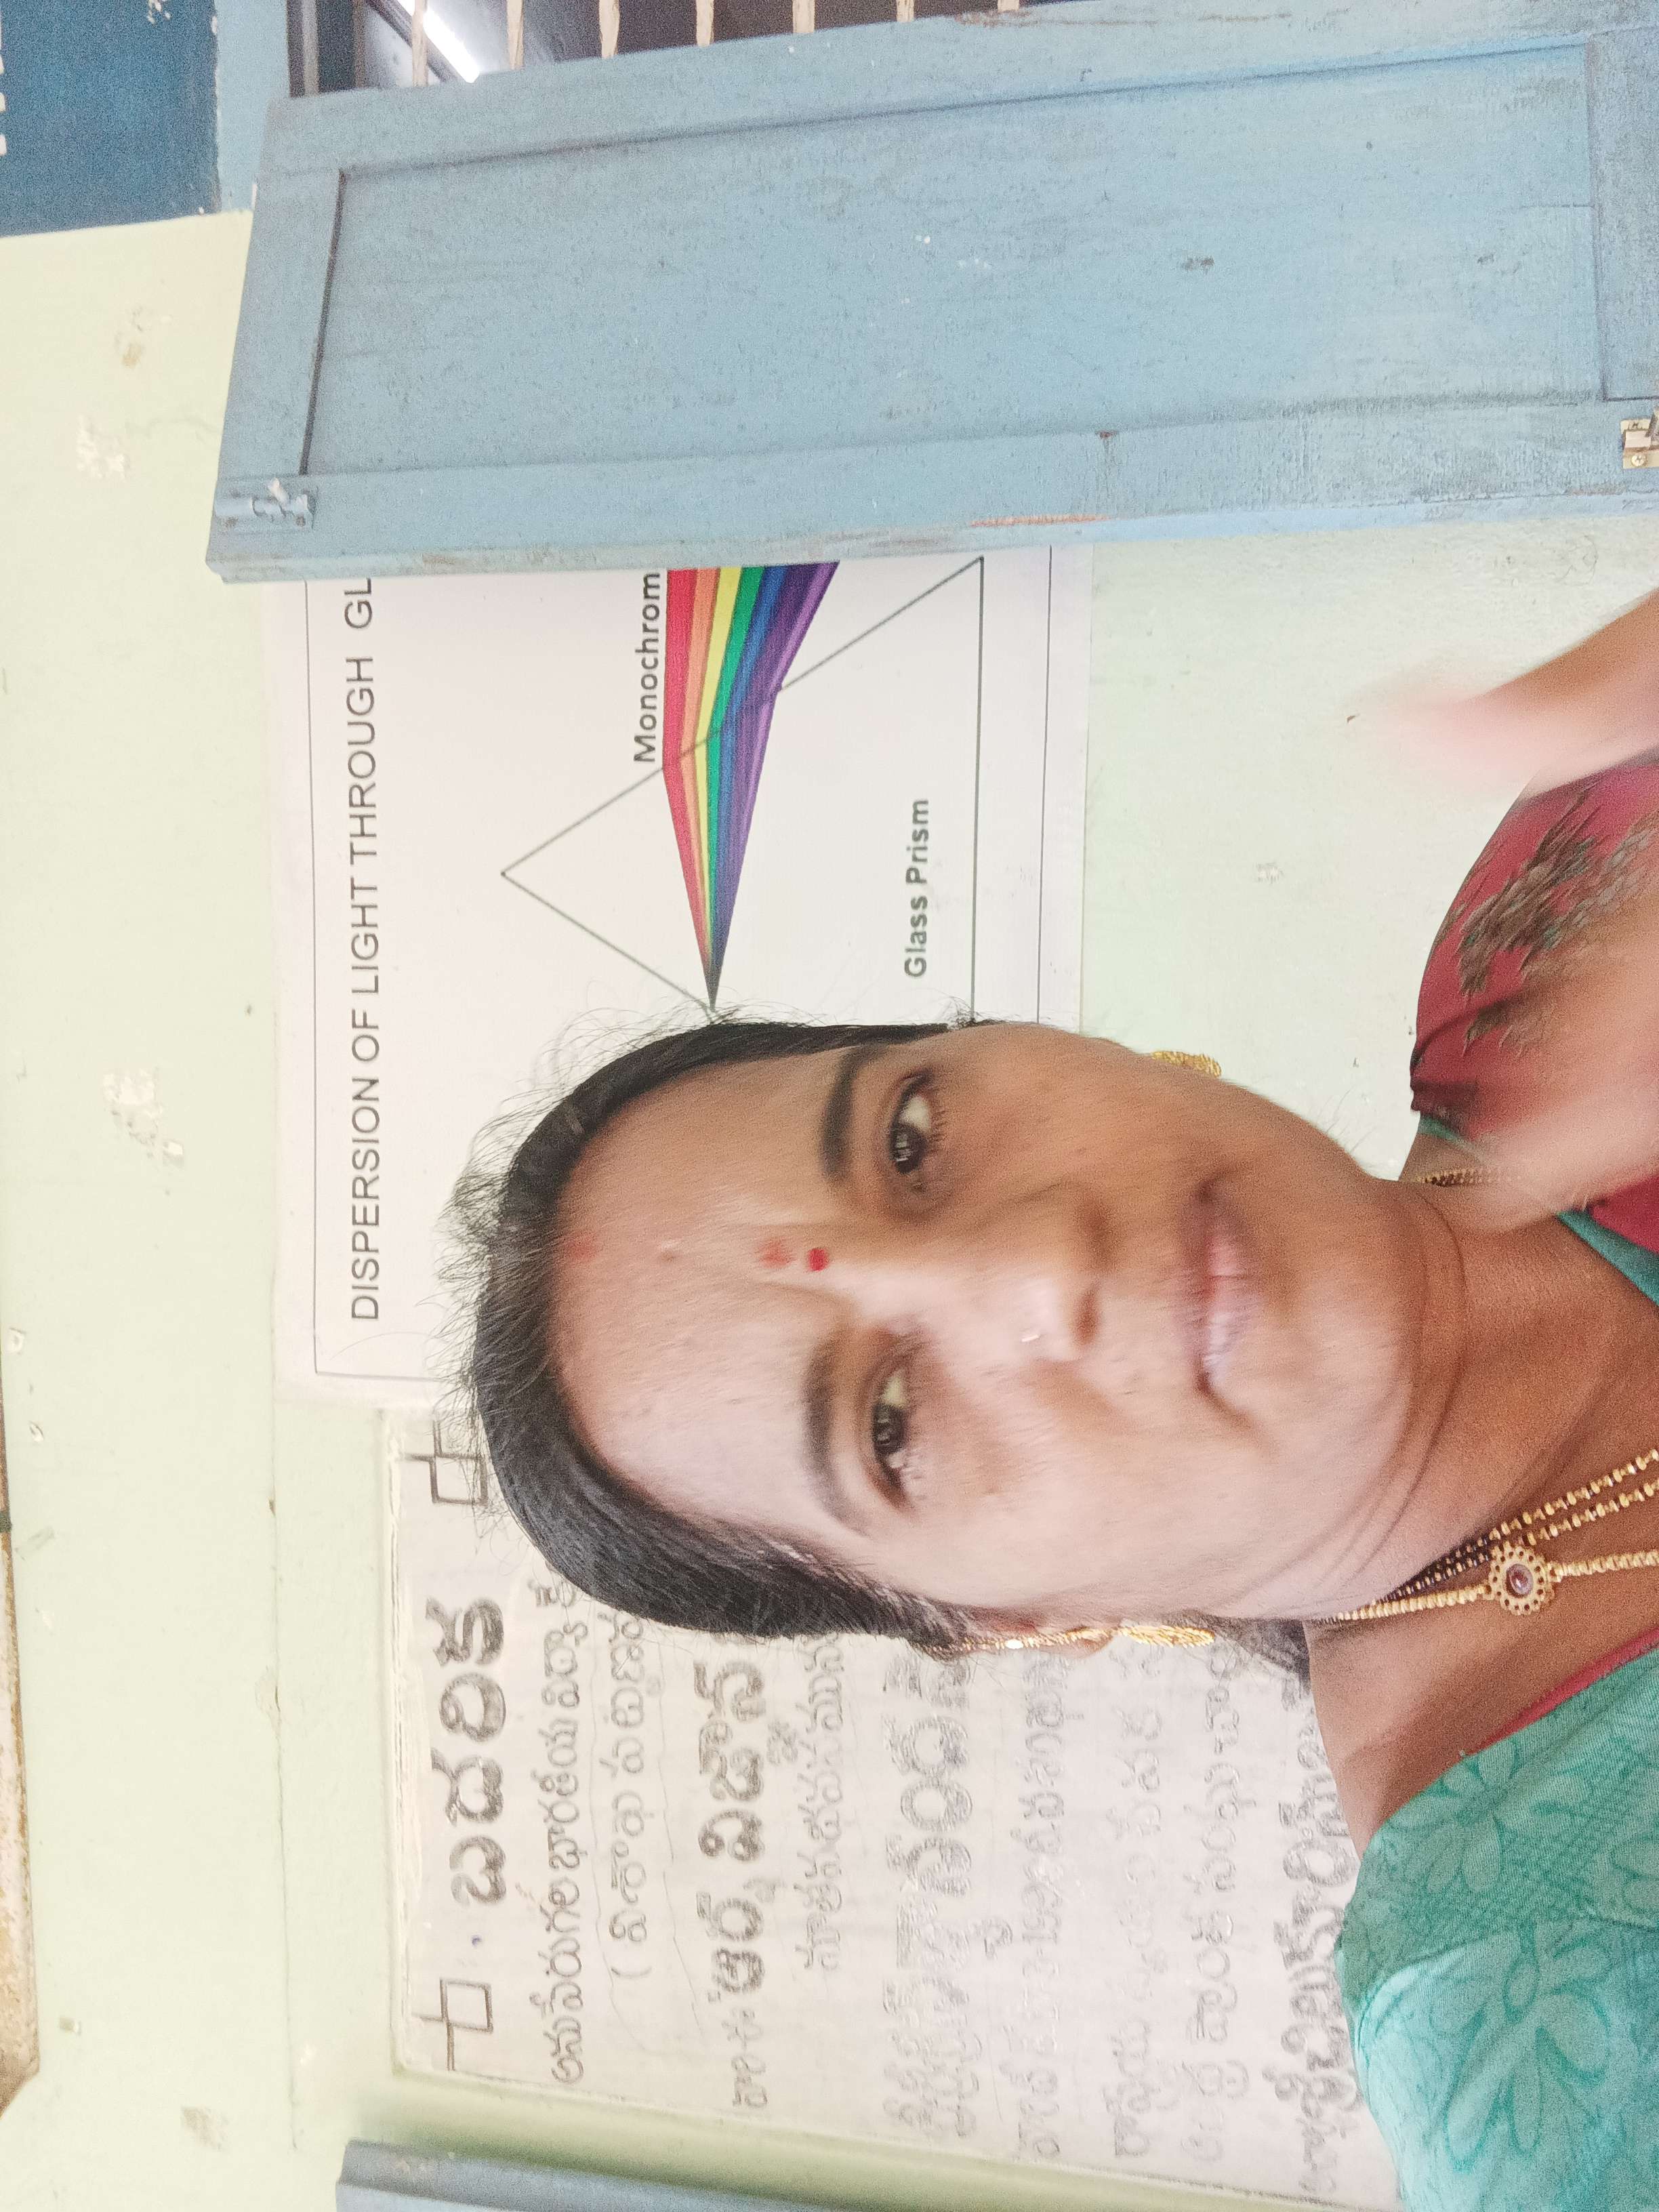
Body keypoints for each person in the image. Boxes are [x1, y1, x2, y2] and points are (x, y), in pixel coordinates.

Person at [453, 586, 1659, 2209]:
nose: (1037, 1266)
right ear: (1013, 1620)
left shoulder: (1582, 900)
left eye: (910, 1140)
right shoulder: (1547, 2019)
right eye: (889, 1424)